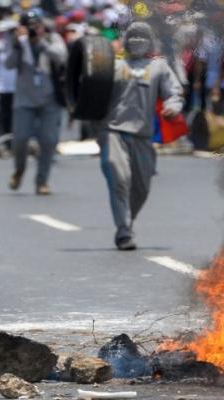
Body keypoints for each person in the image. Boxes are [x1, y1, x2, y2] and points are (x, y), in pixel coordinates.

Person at [97, 22, 184, 251]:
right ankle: (123, 230)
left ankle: (129, 219)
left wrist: (172, 106)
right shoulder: (113, 65)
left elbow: (174, 93)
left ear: (150, 41)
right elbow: (90, 89)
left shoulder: (159, 67)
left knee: (141, 187)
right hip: (113, 130)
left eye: (142, 37)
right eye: (133, 36)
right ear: (126, 40)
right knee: (119, 176)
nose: (137, 41)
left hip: (143, 135)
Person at [5, 10, 67, 195]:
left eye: (36, 26)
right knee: (20, 139)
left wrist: (39, 41)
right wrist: (18, 45)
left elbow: (61, 57)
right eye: (29, 27)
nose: (33, 30)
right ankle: (19, 169)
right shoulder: (16, 41)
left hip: (49, 99)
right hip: (24, 99)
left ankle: (42, 181)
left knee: (48, 141)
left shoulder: (52, 38)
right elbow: (8, 64)